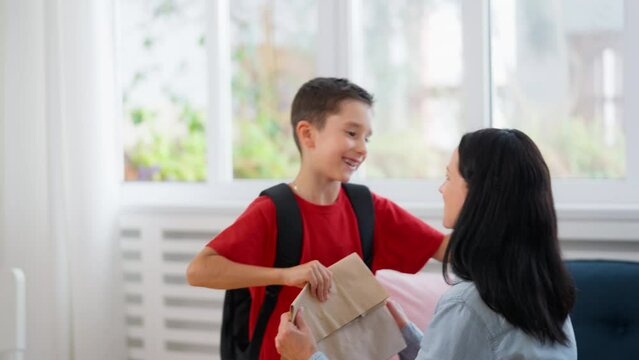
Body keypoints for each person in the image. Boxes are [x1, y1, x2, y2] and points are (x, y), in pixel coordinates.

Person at [186, 77, 448, 359]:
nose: (363, 148)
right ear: (308, 134)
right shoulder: (272, 211)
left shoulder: (368, 208)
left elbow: (444, 248)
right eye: (351, 133)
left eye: (366, 137)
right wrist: (285, 275)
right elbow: (199, 270)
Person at [275, 128, 578, 360]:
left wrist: (307, 356)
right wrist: (412, 338)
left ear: (477, 193)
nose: (441, 189)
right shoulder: (549, 298)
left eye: (449, 177)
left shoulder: (468, 304)